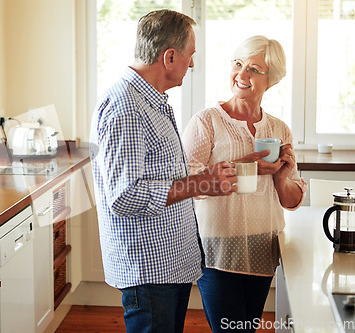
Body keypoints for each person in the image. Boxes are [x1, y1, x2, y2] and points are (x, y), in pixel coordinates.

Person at [89, 9, 239, 333]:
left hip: (168, 264)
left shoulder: (154, 100)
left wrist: (203, 179)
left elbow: (161, 173)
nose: (192, 64)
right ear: (170, 57)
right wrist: (199, 184)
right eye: (190, 56)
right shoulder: (125, 106)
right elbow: (124, 196)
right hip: (149, 271)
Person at [181, 35, 307, 332]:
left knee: (247, 328)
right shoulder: (206, 121)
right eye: (238, 63)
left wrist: (280, 178)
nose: (242, 74)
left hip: (264, 244)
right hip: (217, 246)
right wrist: (249, 166)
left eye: (254, 68)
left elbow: (291, 200)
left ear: (271, 80)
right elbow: (188, 184)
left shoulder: (278, 128)